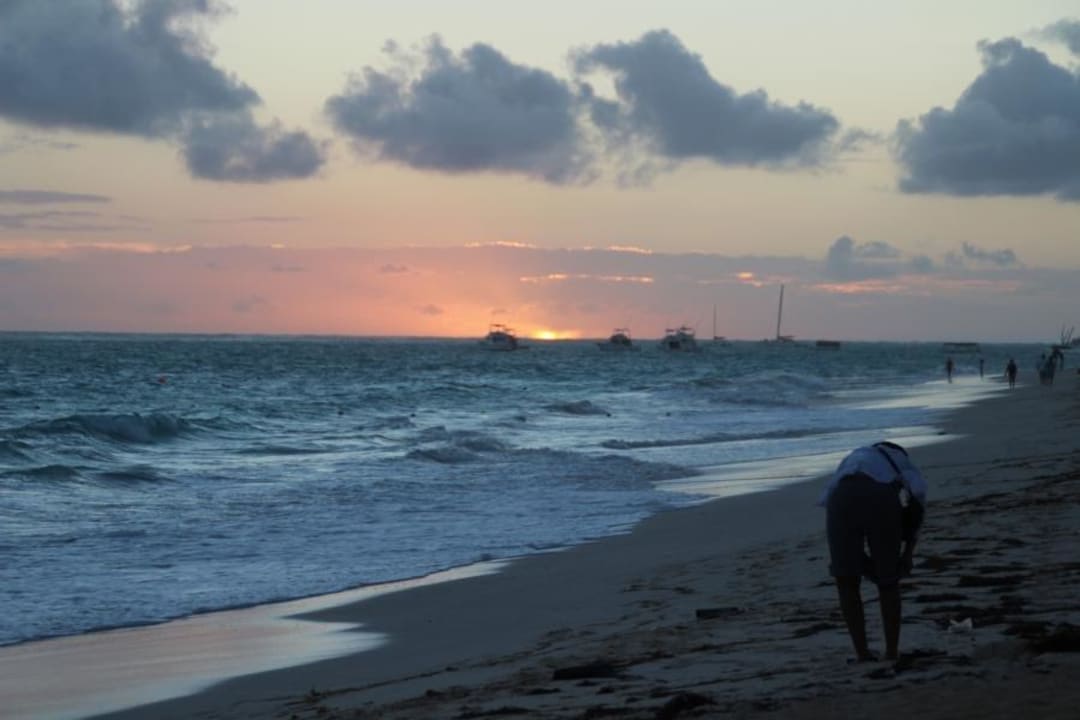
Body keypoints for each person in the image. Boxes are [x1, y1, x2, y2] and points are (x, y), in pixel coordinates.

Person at [819, 441, 927, 662]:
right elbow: (918, 498)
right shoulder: (901, 460)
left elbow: (827, 499)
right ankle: (891, 651)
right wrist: (906, 555)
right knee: (888, 580)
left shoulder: (853, 456)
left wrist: (861, 561)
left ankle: (862, 653)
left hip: (841, 495)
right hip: (880, 496)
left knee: (846, 580)